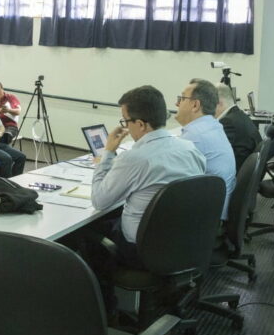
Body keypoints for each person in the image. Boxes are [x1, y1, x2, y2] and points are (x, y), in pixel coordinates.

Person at [84, 85, 206, 312]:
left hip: (144, 252)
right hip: (187, 242)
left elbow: (99, 200)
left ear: (140, 124)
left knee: (84, 238)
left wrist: (108, 153)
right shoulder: (191, 149)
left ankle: (106, 314)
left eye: (125, 121)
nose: (125, 127)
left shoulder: (135, 158)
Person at [173, 79, 236, 220]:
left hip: (205, 219)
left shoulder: (195, 136)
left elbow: (167, 181)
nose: (176, 103)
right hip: (215, 209)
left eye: (182, 98)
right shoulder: (212, 126)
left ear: (195, 105)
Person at [215, 84, 262, 170]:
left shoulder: (228, 122)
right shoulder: (238, 114)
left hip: (237, 175)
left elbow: (217, 154)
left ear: (218, 102)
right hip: (248, 171)